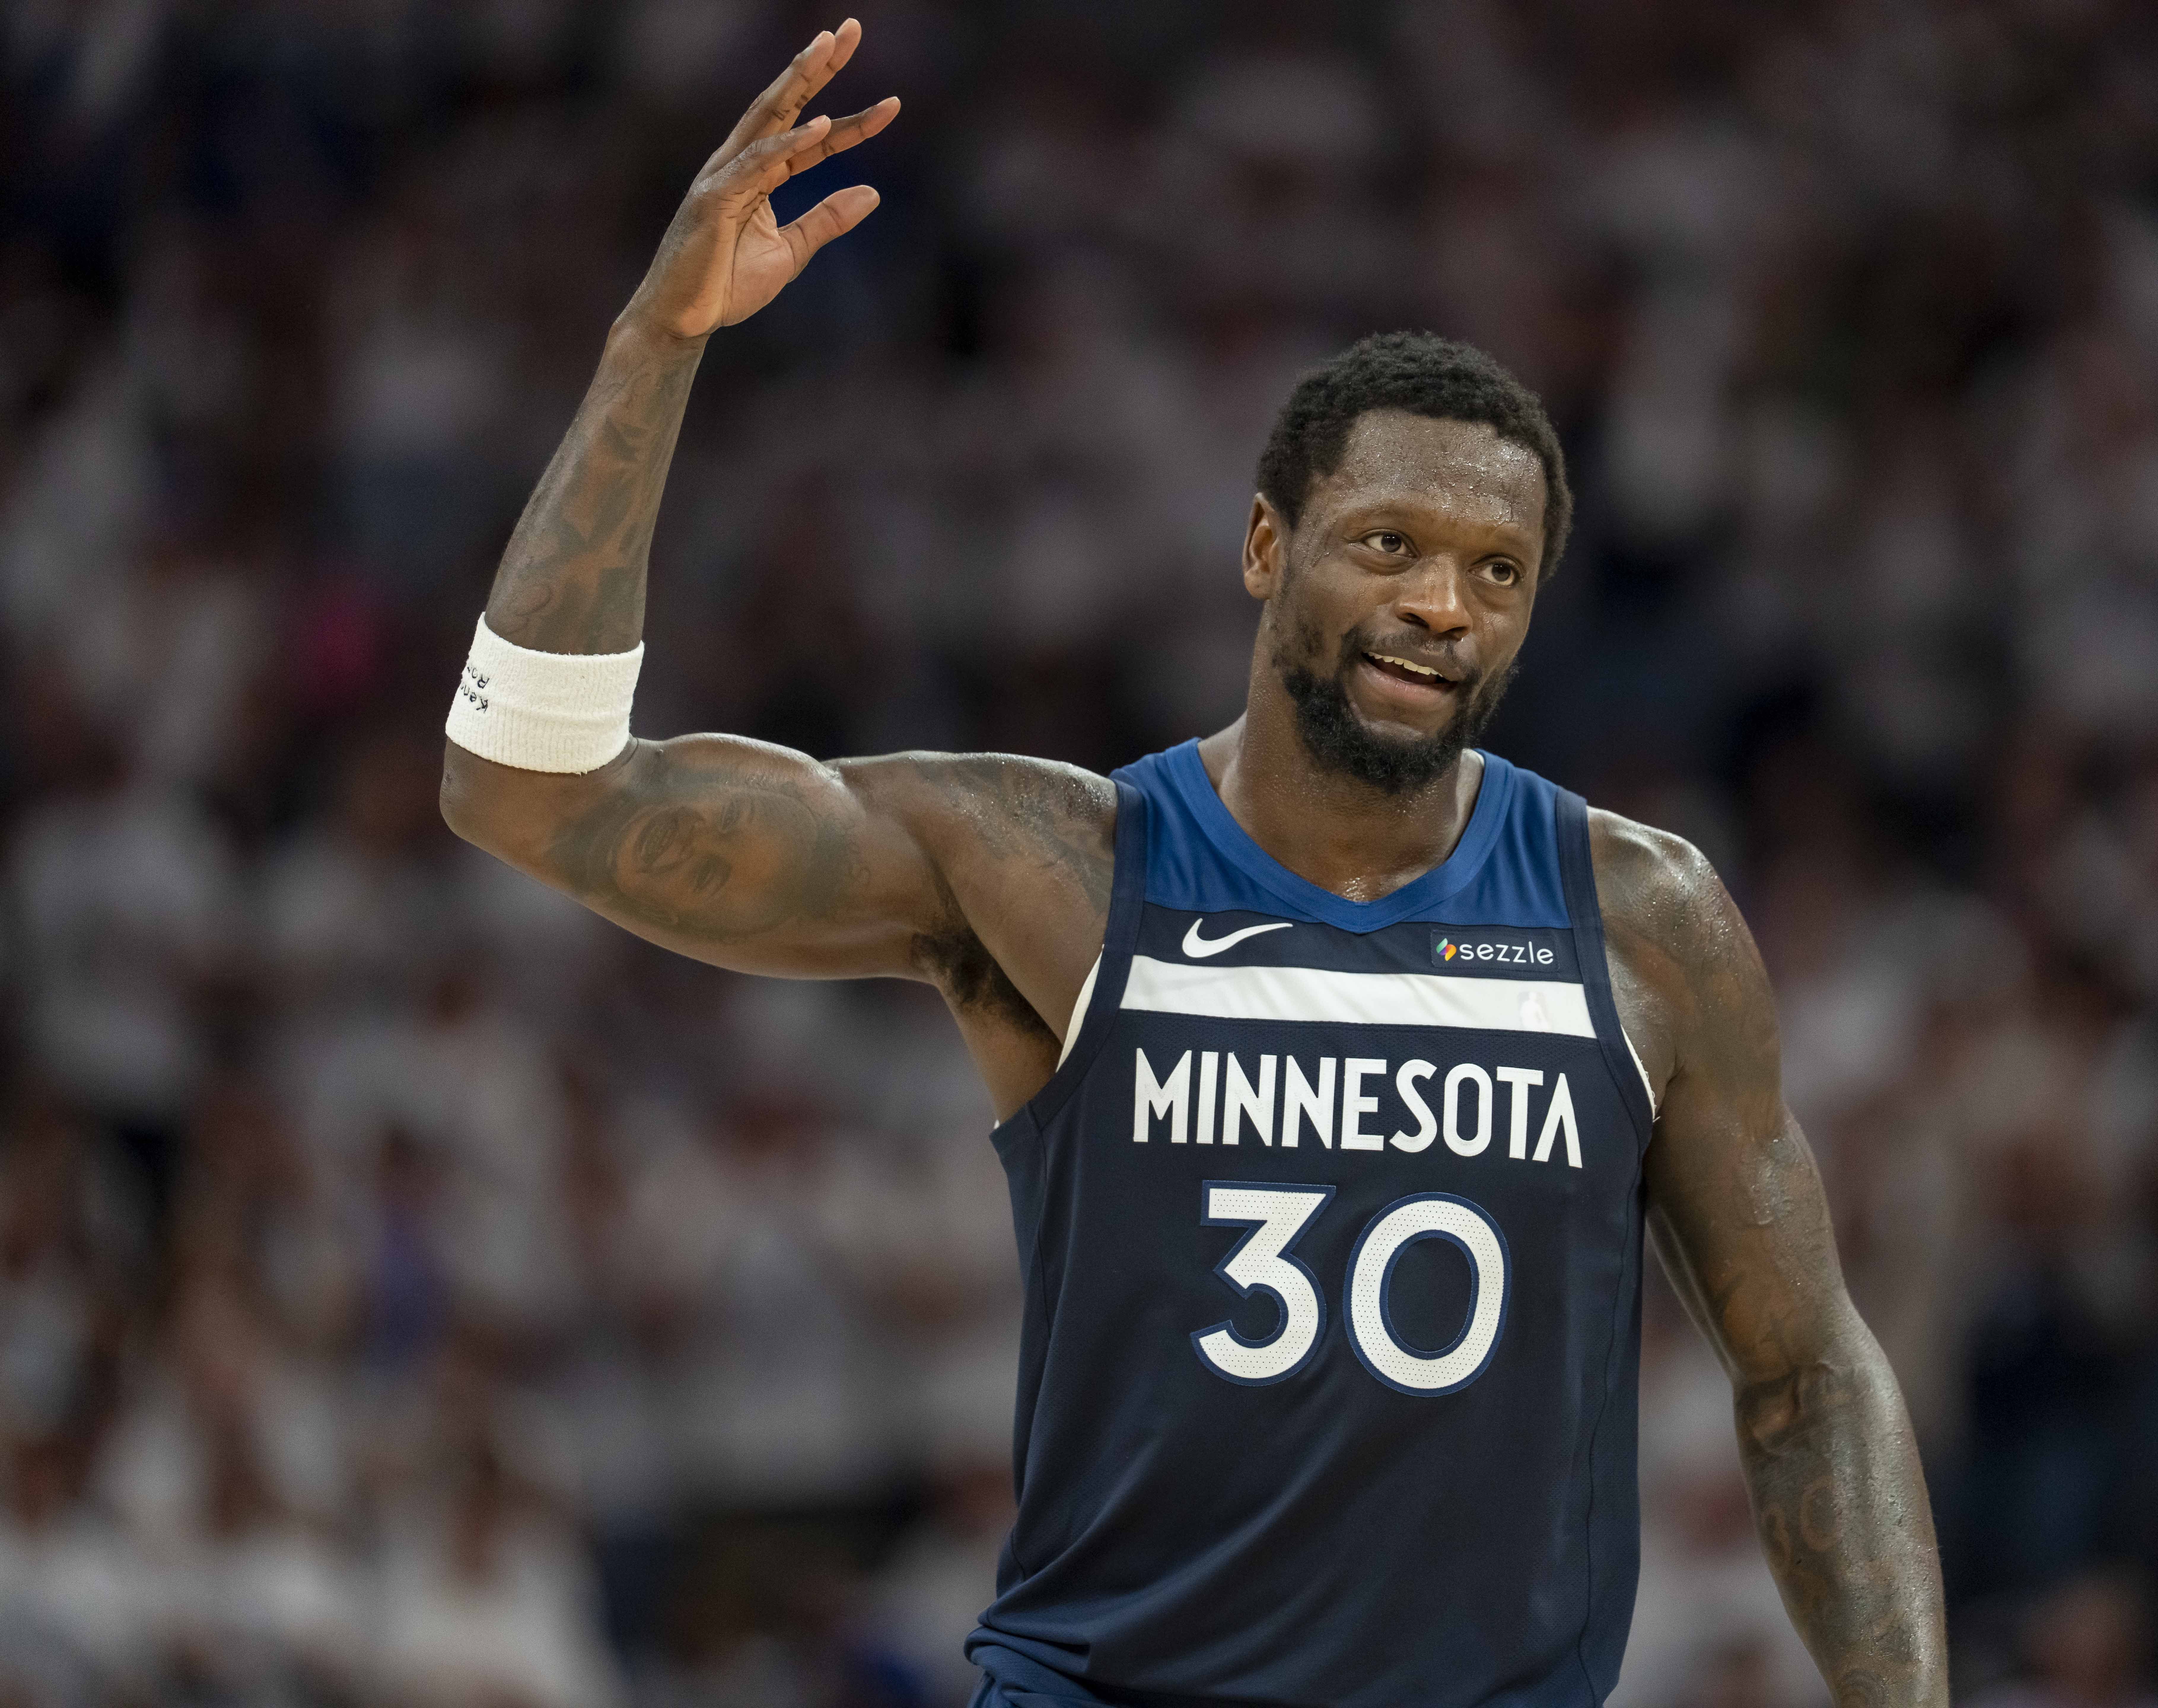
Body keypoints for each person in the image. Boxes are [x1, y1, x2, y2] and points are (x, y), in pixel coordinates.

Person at [436, 23, 1946, 1708]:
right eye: (1390, 544)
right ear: (1263, 545)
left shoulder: (1642, 918)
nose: (1441, 605)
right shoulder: (1051, 867)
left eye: (1496, 572)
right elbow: (528, 793)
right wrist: (654, 345)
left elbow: (1809, 1378)